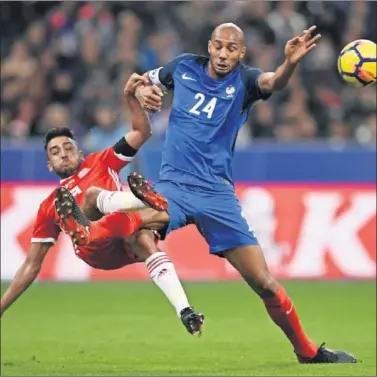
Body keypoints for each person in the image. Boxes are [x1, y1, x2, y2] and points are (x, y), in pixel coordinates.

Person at [89, 23, 357, 363]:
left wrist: (289, 62)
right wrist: (140, 91)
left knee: (264, 283)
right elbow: (140, 82)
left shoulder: (245, 81)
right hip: (174, 185)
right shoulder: (183, 66)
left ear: (241, 53)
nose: (223, 54)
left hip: (217, 195)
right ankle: (92, 224)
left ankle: (306, 352)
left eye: (232, 48)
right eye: (218, 46)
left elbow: (273, 82)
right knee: (135, 224)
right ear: (209, 46)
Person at [0, 74, 204, 336]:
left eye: (68, 147)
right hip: (95, 249)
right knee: (97, 198)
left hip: (123, 230)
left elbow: (142, 132)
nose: (63, 153)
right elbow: (32, 265)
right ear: (50, 165)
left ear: (80, 152)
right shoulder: (50, 205)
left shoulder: (102, 160)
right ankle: (127, 205)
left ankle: (185, 311)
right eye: (55, 151)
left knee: (143, 236)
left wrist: (130, 98)